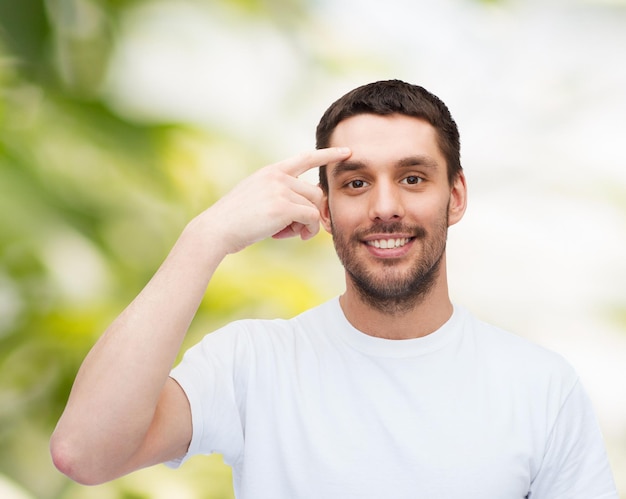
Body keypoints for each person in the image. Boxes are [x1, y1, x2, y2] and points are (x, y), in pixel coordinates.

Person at [50, 80, 618, 498]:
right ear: (324, 207)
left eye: (413, 178)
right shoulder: (254, 363)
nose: (386, 207)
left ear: (457, 197)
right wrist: (206, 236)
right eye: (356, 183)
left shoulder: (540, 386)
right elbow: (84, 452)